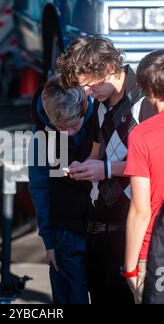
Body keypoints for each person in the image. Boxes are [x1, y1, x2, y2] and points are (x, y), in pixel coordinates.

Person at [57, 36, 155, 304]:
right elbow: (97, 150)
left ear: (110, 68)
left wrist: (107, 169)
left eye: (90, 85)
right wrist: (85, 167)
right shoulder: (101, 103)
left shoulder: (145, 101)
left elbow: (155, 164)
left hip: (132, 222)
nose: (88, 93)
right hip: (99, 219)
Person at [28, 77, 94, 304]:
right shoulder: (41, 136)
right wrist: (49, 241)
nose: (67, 133)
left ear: (85, 107)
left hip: (105, 227)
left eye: (74, 126)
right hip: (65, 231)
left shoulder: (104, 113)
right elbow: (40, 188)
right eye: (60, 128)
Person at [124, 50, 164, 304]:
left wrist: (130, 267)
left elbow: (141, 210)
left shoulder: (142, 136)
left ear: (147, 90)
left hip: (155, 251)